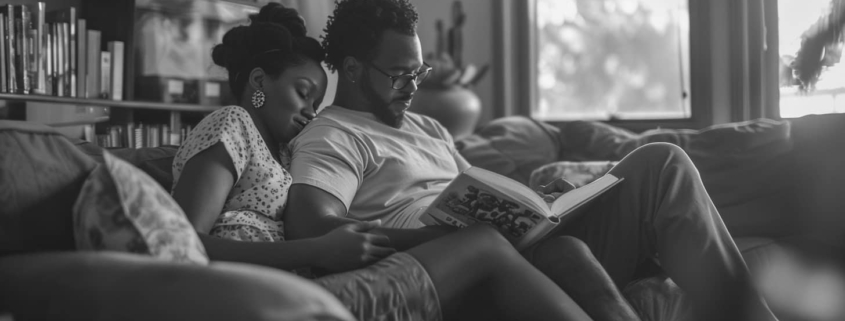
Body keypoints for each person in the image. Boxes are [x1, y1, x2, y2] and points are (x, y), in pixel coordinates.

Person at [283, 0, 781, 320]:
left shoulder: (429, 127)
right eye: (399, 76)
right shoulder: (334, 134)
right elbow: (314, 229)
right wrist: (441, 238)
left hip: (519, 246)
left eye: (419, 73)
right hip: (467, 268)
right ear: (350, 69)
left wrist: (545, 202)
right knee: (568, 254)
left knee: (660, 162)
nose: (413, 89)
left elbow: (477, 187)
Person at [171, 3, 601, 321]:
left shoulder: (283, 151)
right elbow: (183, 245)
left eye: (317, 100)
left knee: (563, 246)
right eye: (303, 93)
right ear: (259, 82)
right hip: (259, 294)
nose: (311, 111)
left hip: (303, 283)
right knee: (484, 241)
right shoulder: (232, 123)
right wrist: (315, 248)